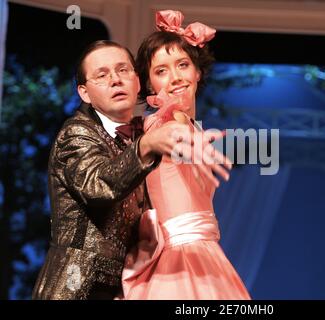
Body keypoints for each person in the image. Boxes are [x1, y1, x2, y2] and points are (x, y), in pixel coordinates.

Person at [32, 40, 229, 300]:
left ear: (138, 82)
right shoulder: (77, 133)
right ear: (84, 93)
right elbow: (99, 184)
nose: (115, 80)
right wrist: (148, 145)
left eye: (123, 70)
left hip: (129, 285)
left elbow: (172, 120)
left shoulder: (144, 131)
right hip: (78, 288)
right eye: (102, 75)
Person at [119, 10, 251, 300]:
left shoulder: (190, 126)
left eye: (182, 64)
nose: (176, 77)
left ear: (197, 72)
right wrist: (187, 140)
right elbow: (167, 135)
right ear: (150, 84)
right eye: (161, 71)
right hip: (179, 261)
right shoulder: (161, 122)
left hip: (206, 256)